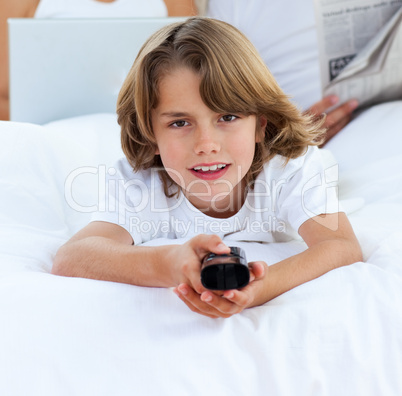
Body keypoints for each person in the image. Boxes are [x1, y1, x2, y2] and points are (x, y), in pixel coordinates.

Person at [52, 17, 362, 319]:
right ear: (151, 136)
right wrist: (170, 263)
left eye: (227, 117)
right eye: (180, 122)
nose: (206, 144)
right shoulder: (140, 184)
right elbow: (71, 257)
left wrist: (260, 288)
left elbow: (340, 245)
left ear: (259, 125)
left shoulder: (289, 169)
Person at [0, 0, 197, 121]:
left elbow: (193, 82)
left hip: (147, 136)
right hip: (51, 135)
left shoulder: (172, 1)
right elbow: (4, 96)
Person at [206, 0, 359, 144]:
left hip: (371, 113)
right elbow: (218, 110)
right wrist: (290, 137)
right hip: (287, 141)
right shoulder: (232, 6)